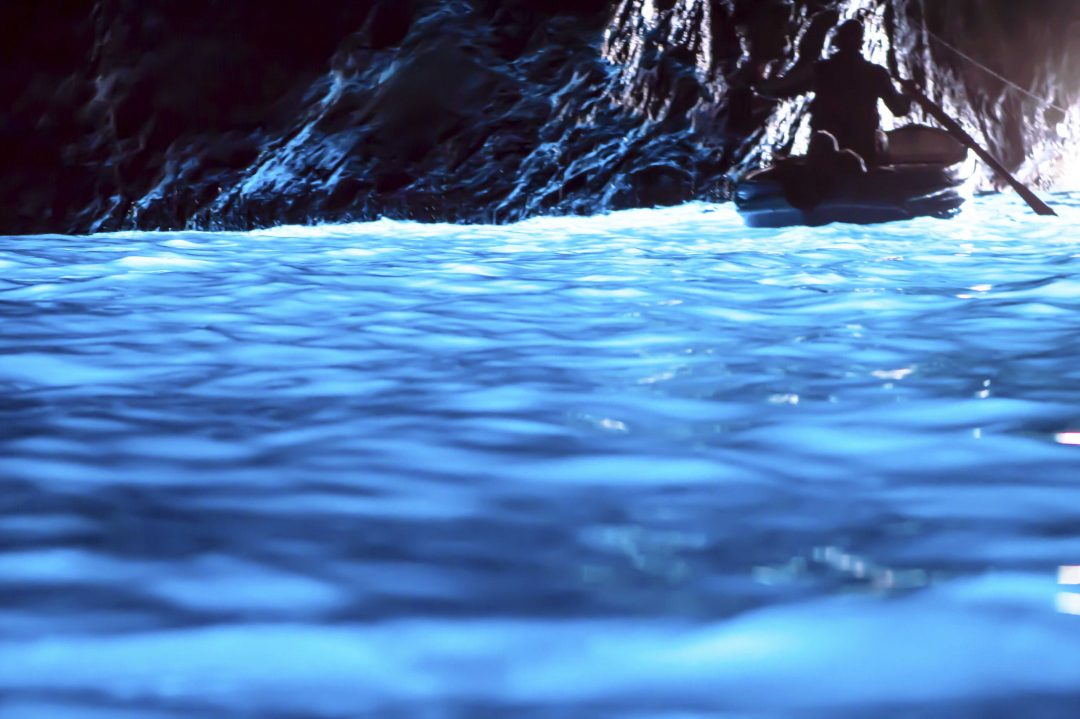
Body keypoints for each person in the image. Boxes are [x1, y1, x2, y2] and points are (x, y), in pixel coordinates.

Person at [757, 18, 912, 166]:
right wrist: (908, 94)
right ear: (861, 43)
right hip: (863, 152)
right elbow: (899, 109)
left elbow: (783, 89)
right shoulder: (877, 73)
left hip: (825, 152)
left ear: (837, 41)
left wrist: (759, 83)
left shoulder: (820, 70)